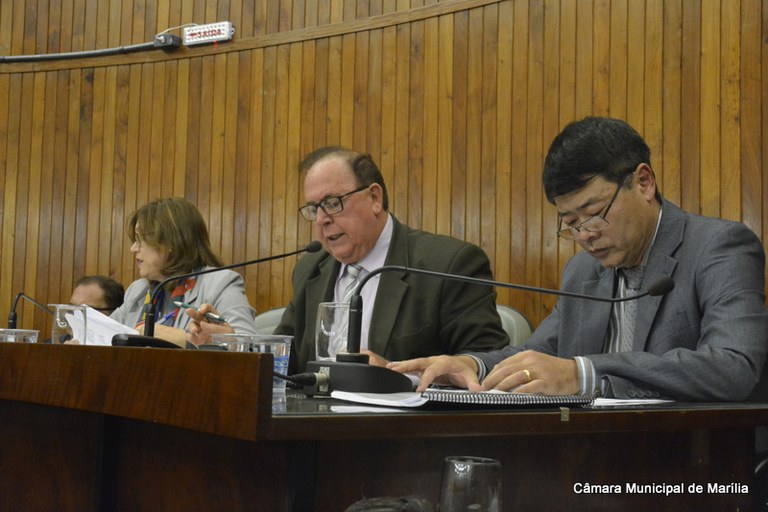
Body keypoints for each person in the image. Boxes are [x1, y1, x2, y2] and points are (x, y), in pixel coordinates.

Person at [390, 116, 768, 403]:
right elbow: (539, 353)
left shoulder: (717, 247)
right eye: (571, 223)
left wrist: (584, 374)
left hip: (691, 456)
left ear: (644, 182)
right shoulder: (583, 270)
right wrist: (471, 365)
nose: (585, 235)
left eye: (594, 213)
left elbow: (734, 367)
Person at [274, 146, 510, 373]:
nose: (321, 220)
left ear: (375, 198)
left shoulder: (448, 265)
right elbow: (282, 358)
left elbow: (487, 361)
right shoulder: (311, 268)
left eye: (332, 203)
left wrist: (396, 375)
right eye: (314, 209)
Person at [110, 197, 258, 347]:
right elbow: (107, 333)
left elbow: (249, 347)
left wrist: (184, 339)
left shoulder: (220, 283)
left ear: (170, 242)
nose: (133, 248)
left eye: (140, 239)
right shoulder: (138, 290)